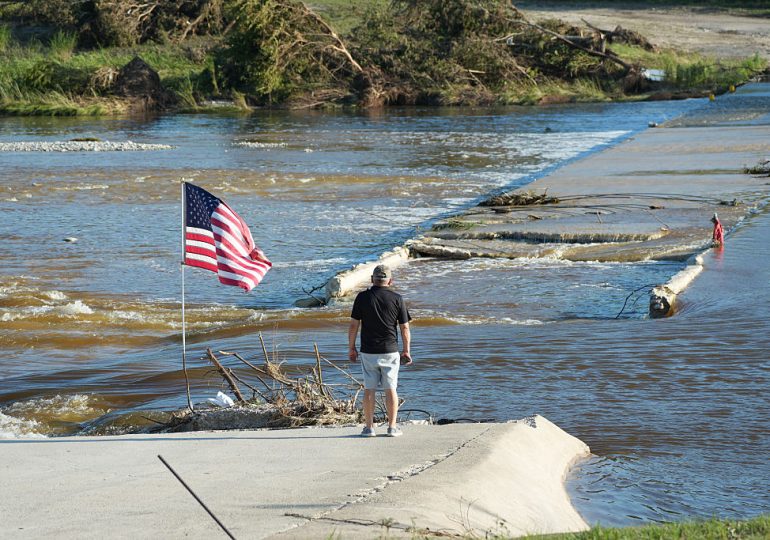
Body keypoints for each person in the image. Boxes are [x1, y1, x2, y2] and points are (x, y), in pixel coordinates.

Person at [348, 264, 412, 437]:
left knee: (369, 389)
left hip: (368, 351)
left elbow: (354, 325)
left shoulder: (362, 297)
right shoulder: (397, 299)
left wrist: (351, 348)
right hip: (390, 351)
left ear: (372, 280)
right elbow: (404, 328)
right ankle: (392, 427)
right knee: (390, 388)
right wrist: (406, 350)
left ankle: (369, 428)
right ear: (390, 281)